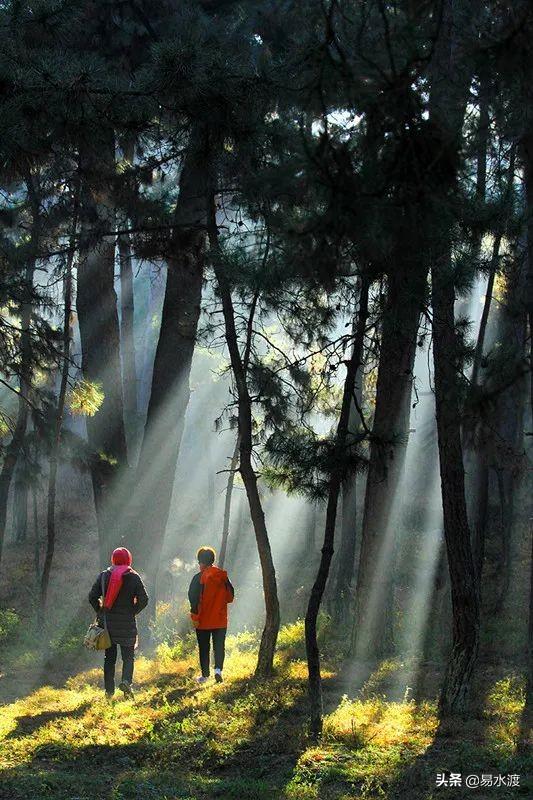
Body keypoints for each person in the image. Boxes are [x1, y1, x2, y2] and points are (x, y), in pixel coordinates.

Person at [89, 547, 148, 700]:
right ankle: (126, 682)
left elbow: (92, 596)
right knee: (128, 657)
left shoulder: (104, 576)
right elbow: (144, 599)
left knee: (110, 658)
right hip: (127, 625)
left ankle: (109, 692)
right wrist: (133, 611)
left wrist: (100, 610)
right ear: (129, 559)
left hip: (108, 625)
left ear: (113, 559)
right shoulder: (133, 577)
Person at [188, 546, 234, 684]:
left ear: (201, 562)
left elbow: (193, 599)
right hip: (220, 620)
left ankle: (205, 675)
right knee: (219, 645)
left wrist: (195, 617)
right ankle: (218, 670)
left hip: (203, 621)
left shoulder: (198, 578)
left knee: (204, 647)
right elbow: (230, 597)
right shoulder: (222, 576)